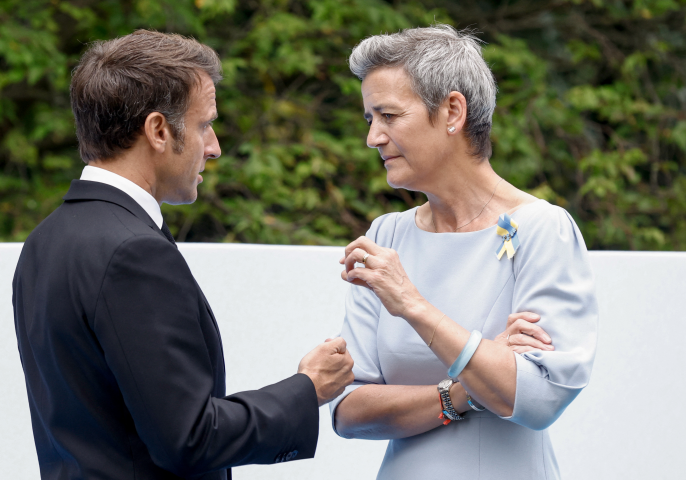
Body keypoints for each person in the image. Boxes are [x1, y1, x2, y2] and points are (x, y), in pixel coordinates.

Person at [12, 30, 354, 480]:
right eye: (203, 125)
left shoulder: (45, 240)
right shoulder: (134, 253)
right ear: (158, 130)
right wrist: (306, 390)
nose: (213, 147)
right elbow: (189, 438)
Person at [329, 25, 598, 479]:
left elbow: (536, 399)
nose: (373, 138)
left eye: (389, 116)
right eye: (369, 120)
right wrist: (464, 388)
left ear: (452, 111)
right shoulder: (386, 235)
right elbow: (347, 409)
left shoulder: (542, 229)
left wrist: (412, 306)